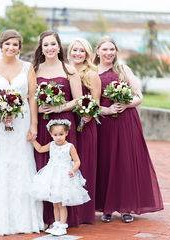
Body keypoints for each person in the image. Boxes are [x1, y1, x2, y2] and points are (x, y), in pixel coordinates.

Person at [0, 29, 44, 235]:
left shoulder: (28, 68)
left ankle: (24, 219)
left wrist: (34, 125)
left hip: (22, 122)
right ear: (1, 46)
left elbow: (32, 97)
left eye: (15, 45)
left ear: (19, 48)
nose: (11, 48)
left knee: (22, 161)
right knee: (0, 161)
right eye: (7, 44)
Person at [94, 36, 163, 223]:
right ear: (97, 51)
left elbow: (139, 96)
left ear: (116, 51)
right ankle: (106, 207)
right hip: (104, 123)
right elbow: (91, 102)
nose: (109, 53)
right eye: (105, 49)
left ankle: (127, 207)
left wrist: (126, 104)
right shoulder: (91, 72)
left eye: (112, 49)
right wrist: (106, 110)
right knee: (106, 163)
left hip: (125, 121)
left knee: (125, 163)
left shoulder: (123, 70)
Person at [32, 30, 82, 228]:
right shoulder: (34, 70)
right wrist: (34, 123)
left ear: (59, 47)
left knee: (63, 168)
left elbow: (78, 100)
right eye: (46, 45)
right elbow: (31, 99)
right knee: (44, 166)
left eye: (53, 44)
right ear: (41, 48)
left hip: (64, 126)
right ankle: (45, 218)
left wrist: (57, 107)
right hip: (44, 126)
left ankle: (65, 219)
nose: (50, 48)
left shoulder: (69, 69)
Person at [29, 119, 90, 236]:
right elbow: (40, 149)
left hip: (64, 176)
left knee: (62, 203)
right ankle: (56, 224)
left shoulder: (70, 146)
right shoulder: (51, 145)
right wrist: (33, 141)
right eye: (55, 135)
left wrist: (73, 170)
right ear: (51, 135)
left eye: (61, 134)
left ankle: (62, 225)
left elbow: (77, 161)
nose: (58, 137)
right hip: (52, 175)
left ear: (66, 133)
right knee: (54, 202)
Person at [67, 38, 101, 224]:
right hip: (66, 125)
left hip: (86, 125)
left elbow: (95, 101)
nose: (77, 54)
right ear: (69, 52)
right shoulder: (64, 71)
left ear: (87, 54)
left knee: (85, 165)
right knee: (67, 166)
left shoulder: (92, 75)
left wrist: (89, 115)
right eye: (74, 50)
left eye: (81, 51)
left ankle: (84, 213)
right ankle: (68, 211)